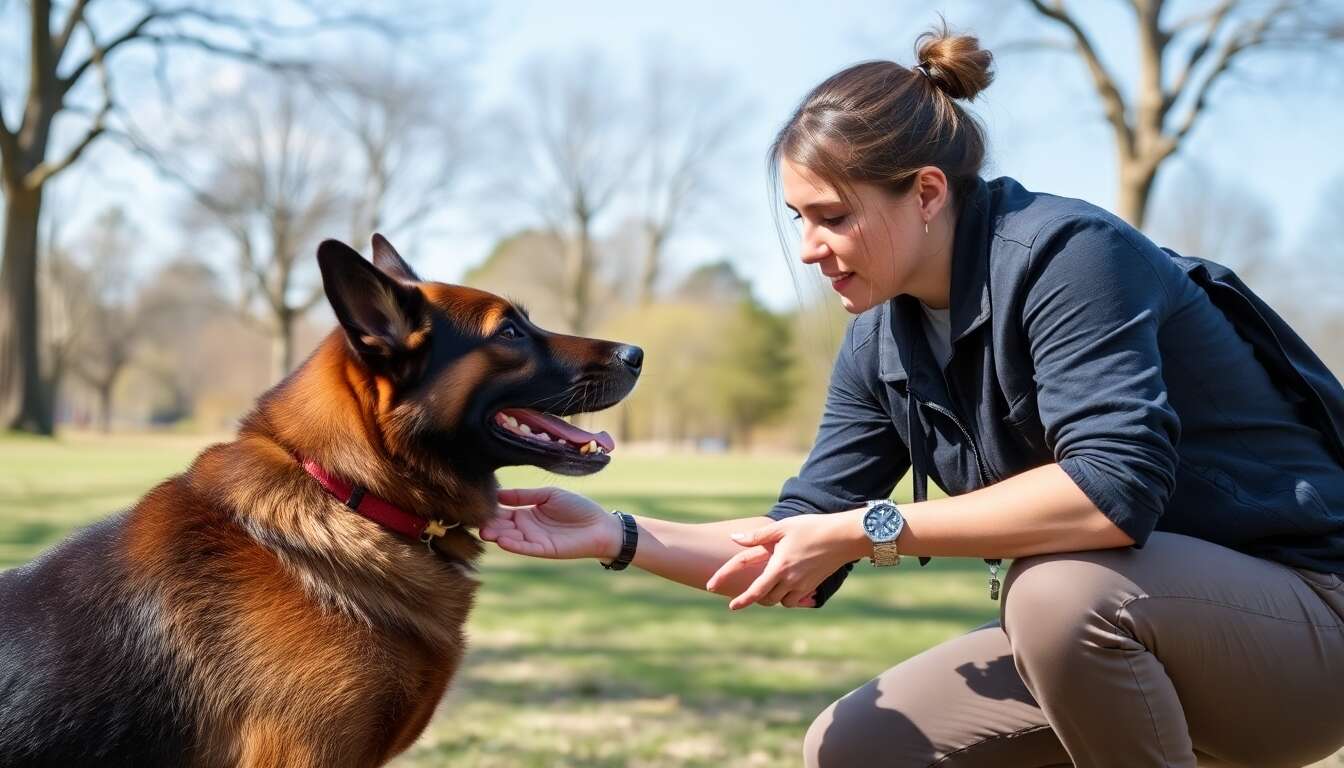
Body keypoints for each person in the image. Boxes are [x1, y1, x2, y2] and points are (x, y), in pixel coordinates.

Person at [481, 27, 1344, 768]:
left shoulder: (1069, 255)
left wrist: (870, 528)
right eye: (798, 220)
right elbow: (797, 548)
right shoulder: (879, 340)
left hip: (1308, 623)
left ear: (927, 192)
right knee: (857, 747)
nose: (812, 248)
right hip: (1131, 634)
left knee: (1052, 595)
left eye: (833, 216)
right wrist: (620, 534)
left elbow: (1111, 490)